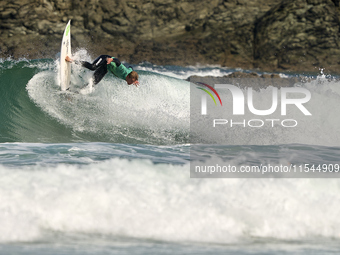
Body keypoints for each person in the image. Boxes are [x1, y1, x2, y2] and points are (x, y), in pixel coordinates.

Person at [65, 55, 139, 87]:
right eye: (131, 81)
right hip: (106, 59)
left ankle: (76, 92)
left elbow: (130, 67)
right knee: (92, 67)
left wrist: (135, 80)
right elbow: (118, 61)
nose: (131, 83)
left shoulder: (130, 74)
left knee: (93, 83)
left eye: (133, 82)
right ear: (128, 77)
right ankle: (71, 60)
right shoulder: (123, 71)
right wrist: (112, 59)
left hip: (106, 67)